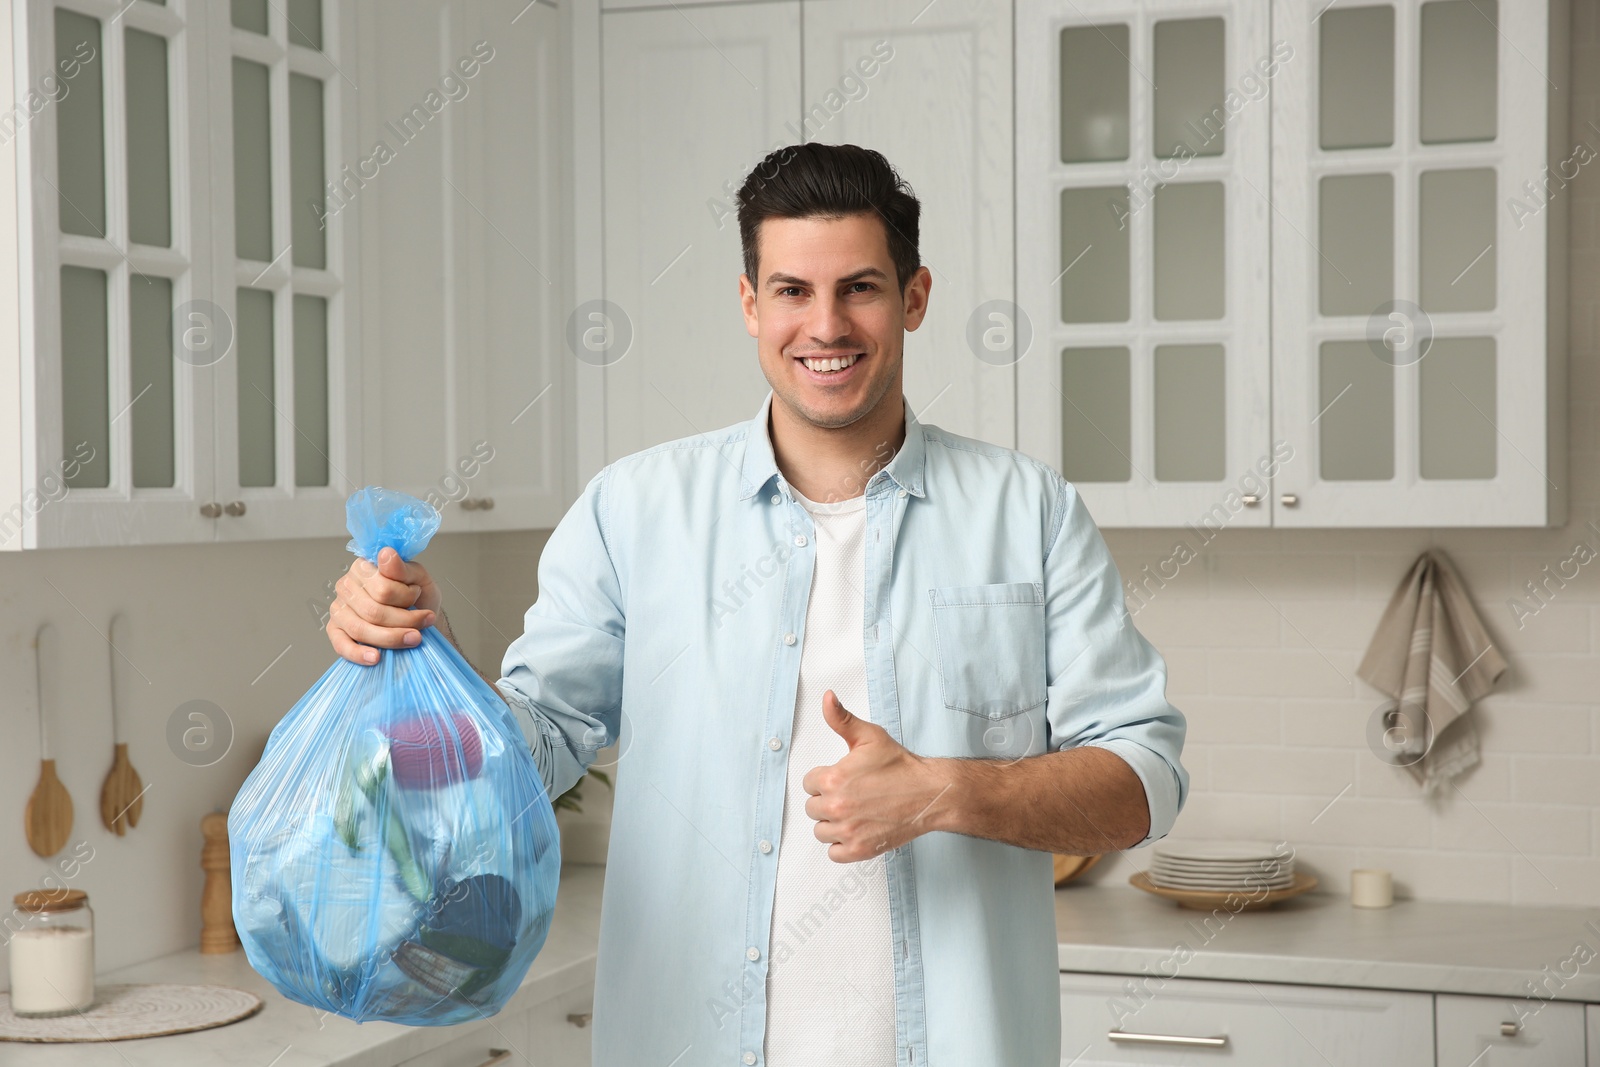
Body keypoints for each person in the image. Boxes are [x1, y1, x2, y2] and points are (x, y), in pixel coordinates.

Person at [327, 143, 1188, 1066]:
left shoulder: (1029, 511)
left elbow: (1145, 779)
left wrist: (946, 790)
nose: (826, 325)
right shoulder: (634, 510)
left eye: (860, 287)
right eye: (791, 291)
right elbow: (530, 750)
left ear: (916, 297)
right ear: (749, 304)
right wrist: (422, 645)